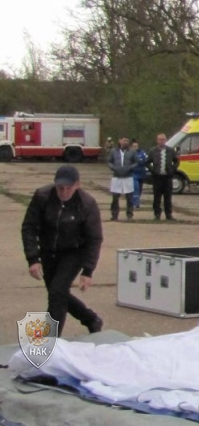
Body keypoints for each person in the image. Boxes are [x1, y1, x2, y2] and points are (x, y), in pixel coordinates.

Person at [21, 165, 104, 336]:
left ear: (77, 185)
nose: (64, 192)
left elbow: (94, 239)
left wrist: (88, 270)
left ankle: (50, 341)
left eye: (68, 188)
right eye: (60, 188)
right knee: (57, 293)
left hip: (74, 252)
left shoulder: (87, 204)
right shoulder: (42, 196)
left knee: (57, 292)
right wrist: (33, 259)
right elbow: (29, 227)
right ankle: (91, 319)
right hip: (48, 251)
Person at [146, 133, 180, 221]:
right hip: (157, 177)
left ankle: (168, 214)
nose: (162, 141)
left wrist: (172, 169)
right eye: (160, 139)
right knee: (157, 197)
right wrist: (152, 170)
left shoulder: (170, 150)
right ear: (157, 141)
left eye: (163, 139)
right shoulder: (153, 151)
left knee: (168, 197)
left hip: (167, 177)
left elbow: (176, 161)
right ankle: (157, 214)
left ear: (165, 140)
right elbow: (147, 162)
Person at [108, 136, 136, 221]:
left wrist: (130, 168)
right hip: (117, 177)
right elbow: (109, 161)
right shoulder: (113, 151)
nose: (126, 142)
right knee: (115, 197)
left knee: (129, 197)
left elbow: (136, 162)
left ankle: (129, 215)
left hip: (128, 177)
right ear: (120, 141)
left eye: (127, 141)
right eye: (124, 140)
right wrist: (113, 168)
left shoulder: (132, 151)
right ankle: (114, 215)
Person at [130, 139, 148, 209]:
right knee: (135, 188)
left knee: (140, 189)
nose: (135, 147)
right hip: (133, 173)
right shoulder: (130, 153)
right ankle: (135, 203)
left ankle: (136, 200)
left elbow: (145, 160)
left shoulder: (142, 152)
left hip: (141, 173)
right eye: (134, 146)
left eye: (136, 146)